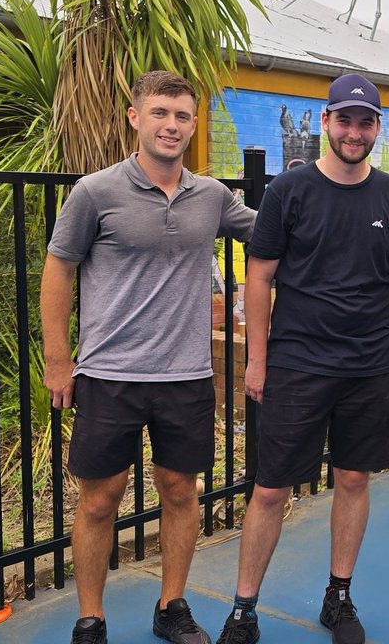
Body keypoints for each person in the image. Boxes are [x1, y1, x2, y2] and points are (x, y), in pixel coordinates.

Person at [41, 70, 256, 644]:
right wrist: (58, 360)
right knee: (99, 499)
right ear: (135, 117)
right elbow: (59, 269)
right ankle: (91, 617)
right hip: (109, 374)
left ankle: (172, 606)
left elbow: (274, 236)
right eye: (160, 113)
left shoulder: (211, 196)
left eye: (182, 116)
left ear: (192, 125)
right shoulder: (95, 192)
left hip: (186, 375)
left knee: (182, 491)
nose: (172, 125)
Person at [215, 73, 389, 644]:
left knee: (354, 479)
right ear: (327, 122)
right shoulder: (289, 191)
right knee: (269, 488)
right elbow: (259, 277)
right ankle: (243, 608)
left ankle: (339, 597)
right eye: (344, 120)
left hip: (367, 366)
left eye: (365, 122)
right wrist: (257, 360)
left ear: (377, 127)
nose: (354, 131)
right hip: (297, 362)